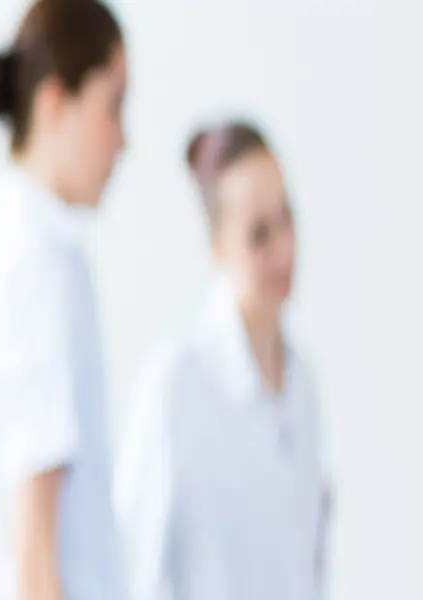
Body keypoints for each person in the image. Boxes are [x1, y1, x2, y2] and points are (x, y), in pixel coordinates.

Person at [0, 1, 127, 598]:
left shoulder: (4, 259)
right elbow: (36, 553)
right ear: (54, 103)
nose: (124, 140)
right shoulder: (37, 272)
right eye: (113, 106)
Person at [113, 121, 330, 600]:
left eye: (287, 218)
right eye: (259, 234)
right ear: (218, 247)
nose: (285, 249)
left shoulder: (304, 387)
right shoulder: (176, 384)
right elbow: (131, 570)